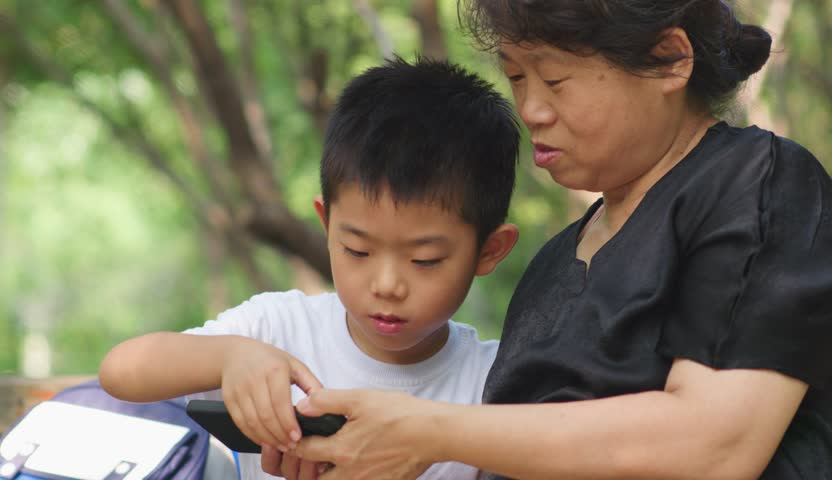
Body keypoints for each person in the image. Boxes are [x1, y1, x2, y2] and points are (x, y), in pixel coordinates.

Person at [263, 1, 832, 479]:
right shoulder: (550, 266)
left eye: (555, 79)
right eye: (516, 78)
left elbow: (717, 445)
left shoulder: (756, 184)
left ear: (669, 59)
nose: (532, 109)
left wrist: (430, 431)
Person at [98, 57, 521, 480]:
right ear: (327, 224)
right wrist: (229, 357)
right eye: (357, 250)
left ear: (490, 250)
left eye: (424, 260)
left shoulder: (493, 383)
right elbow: (121, 372)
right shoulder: (277, 330)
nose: (387, 284)